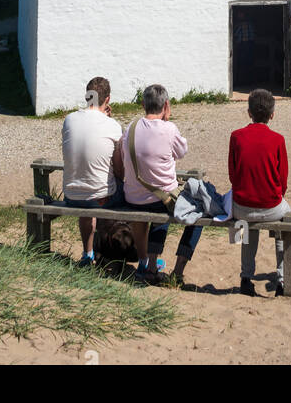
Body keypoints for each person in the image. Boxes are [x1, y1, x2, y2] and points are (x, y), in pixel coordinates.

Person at [121, 84, 202, 285]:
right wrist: (168, 121)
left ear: (143, 104)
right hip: (159, 199)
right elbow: (182, 152)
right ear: (166, 105)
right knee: (197, 213)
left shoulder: (130, 128)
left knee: (162, 202)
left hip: (133, 198)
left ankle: (150, 265)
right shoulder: (169, 129)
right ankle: (178, 270)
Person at [228, 88, 291, 297]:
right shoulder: (278, 140)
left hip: (242, 207)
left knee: (248, 227)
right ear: (272, 114)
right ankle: (282, 279)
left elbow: (232, 175)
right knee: (286, 221)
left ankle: (246, 277)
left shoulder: (236, 137)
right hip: (270, 206)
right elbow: (283, 181)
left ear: (249, 112)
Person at [61, 76, 125, 267]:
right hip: (99, 198)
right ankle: (112, 250)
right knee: (123, 190)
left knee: (89, 185)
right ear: (108, 99)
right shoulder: (112, 126)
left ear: (87, 96)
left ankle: (87, 253)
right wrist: (108, 120)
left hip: (71, 194)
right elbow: (119, 170)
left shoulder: (69, 120)